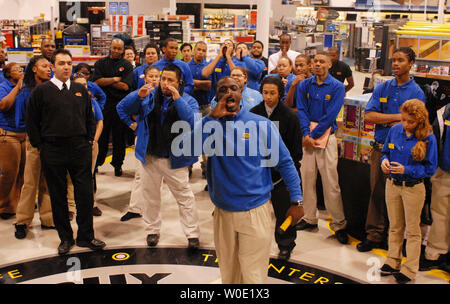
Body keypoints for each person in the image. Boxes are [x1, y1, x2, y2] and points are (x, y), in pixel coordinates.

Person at [181, 76, 304, 283]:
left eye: (234, 88)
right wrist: (211, 118)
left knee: (253, 275)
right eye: (223, 89)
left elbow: (285, 162)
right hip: (223, 212)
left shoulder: (261, 124)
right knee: (228, 274)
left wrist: (297, 200)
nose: (229, 93)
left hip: (254, 211)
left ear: (242, 93)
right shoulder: (210, 125)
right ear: (216, 96)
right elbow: (184, 153)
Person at [26, 49, 106, 255]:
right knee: (58, 195)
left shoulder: (79, 90)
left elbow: (90, 118)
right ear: (53, 67)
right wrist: (40, 145)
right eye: (61, 63)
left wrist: (89, 140)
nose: (66, 67)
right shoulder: (41, 92)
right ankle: (65, 238)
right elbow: (32, 121)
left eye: (69, 63)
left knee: (85, 194)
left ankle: (86, 236)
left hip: (80, 148)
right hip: (53, 149)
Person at [116, 64, 201, 250]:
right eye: (163, 79)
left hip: (175, 160)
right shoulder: (149, 96)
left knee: (185, 197)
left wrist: (178, 99)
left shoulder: (189, 101)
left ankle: (192, 233)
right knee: (150, 196)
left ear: (180, 83)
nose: (165, 83)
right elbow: (122, 107)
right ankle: (152, 231)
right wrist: (138, 97)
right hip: (150, 157)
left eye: (170, 80)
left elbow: (193, 122)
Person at [359, 47, 426, 252]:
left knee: (400, 197)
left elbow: (415, 123)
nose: (396, 64)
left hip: (405, 153)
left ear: (411, 63)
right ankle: (373, 235)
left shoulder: (416, 92)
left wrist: (390, 120)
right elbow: (369, 116)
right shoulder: (383, 87)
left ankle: (395, 239)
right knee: (377, 192)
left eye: (401, 60)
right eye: (393, 60)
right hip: (381, 149)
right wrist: (399, 118)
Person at [379, 99, 437, 284]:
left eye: (410, 121)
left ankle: (410, 268)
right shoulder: (395, 130)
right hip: (392, 185)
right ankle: (392, 261)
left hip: (413, 189)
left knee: (412, 231)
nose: (405, 124)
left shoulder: (428, 137)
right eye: (403, 119)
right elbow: (386, 151)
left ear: (419, 120)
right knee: (395, 226)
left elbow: (430, 168)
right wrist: (384, 161)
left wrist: (407, 170)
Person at [295, 51, 349, 245]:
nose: (317, 64)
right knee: (307, 178)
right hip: (307, 139)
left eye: (322, 62)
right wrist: (305, 134)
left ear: (329, 65)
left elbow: (331, 114)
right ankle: (309, 218)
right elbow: (301, 109)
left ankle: (339, 224)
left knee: (330, 183)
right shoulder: (303, 86)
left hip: (327, 138)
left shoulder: (336, 87)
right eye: (315, 61)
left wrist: (315, 135)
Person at [250, 76, 303, 261]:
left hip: (282, 175)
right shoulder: (253, 113)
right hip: (258, 174)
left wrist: (288, 174)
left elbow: (296, 153)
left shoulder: (290, 116)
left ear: (280, 93)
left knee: (284, 212)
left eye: (273, 93)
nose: (269, 97)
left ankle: (286, 245)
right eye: (265, 92)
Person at [14, 56, 53, 239]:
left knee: (48, 182)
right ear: (34, 69)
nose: (48, 69)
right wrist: (36, 141)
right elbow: (23, 120)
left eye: (49, 66)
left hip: (52, 142)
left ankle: (48, 219)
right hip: (35, 142)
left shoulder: (54, 89)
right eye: (44, 66)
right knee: (30, 182)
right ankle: (22, 221)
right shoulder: (26, 92)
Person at [117, 65, 160, 222]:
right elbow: (120, 108)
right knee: (140, 175)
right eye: (151, 76)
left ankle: (153, 209)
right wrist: (131, 124)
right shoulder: (138, 94)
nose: (154, 79)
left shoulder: (165, 95)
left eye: (157, 76)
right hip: (143, 139)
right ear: (145, 78)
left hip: (161, 142)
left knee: (159, 178)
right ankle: (135, 208)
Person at [93, 38, 134, 177]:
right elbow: (96, 82)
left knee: (119, 138)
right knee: (101, 137)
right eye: (114, 48)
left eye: (119, 49)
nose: (116, 51)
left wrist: (106, 81)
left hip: (120, 107)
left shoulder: (127, 66)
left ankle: (118, 165)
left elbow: (125, 86)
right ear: (110, 47)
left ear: (123, 50)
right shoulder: (100, 63)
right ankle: (97, 164)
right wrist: (115, 79)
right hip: (103, 106)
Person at [67, 74, 104, 218]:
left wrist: (94, 140)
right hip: (72, 144)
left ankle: (91, 204)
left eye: (85, 84)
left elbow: (99, 122)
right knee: (70, 177)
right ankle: (70, 206)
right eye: (79, 84)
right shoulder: (66, 101)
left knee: (89, 175)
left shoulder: (92, 102)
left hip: (90, 144)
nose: (83, 87)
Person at [419, 103, 449, 271]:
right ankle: (434, 254)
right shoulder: (444, 111)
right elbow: (435, 139)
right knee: (439, 213)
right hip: (443, 170)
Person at [0, 62, 26, 220]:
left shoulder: (26, 87)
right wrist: (18, 88)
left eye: (21, 69)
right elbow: (3, 105)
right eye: (17, 70)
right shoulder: (4, 86)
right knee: (8, 173)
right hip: (8, 134)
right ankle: (3, 204)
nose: (21, 72)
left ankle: (15, 205)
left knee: (23, 174)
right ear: (9, 74)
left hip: (25, 134)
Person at [187, 41, 212, 178]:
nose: (201, 52)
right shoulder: (186, 66)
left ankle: (206, 168)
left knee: (207, 139)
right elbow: (187, 84)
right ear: (194, 51)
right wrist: (198, 84)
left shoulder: (209, 66)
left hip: (206, 107)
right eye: (199, 49)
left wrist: (194, 83)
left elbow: (209, 85)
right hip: (191, 109)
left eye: (203, 50)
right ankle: (188, 166)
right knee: (191, 138)